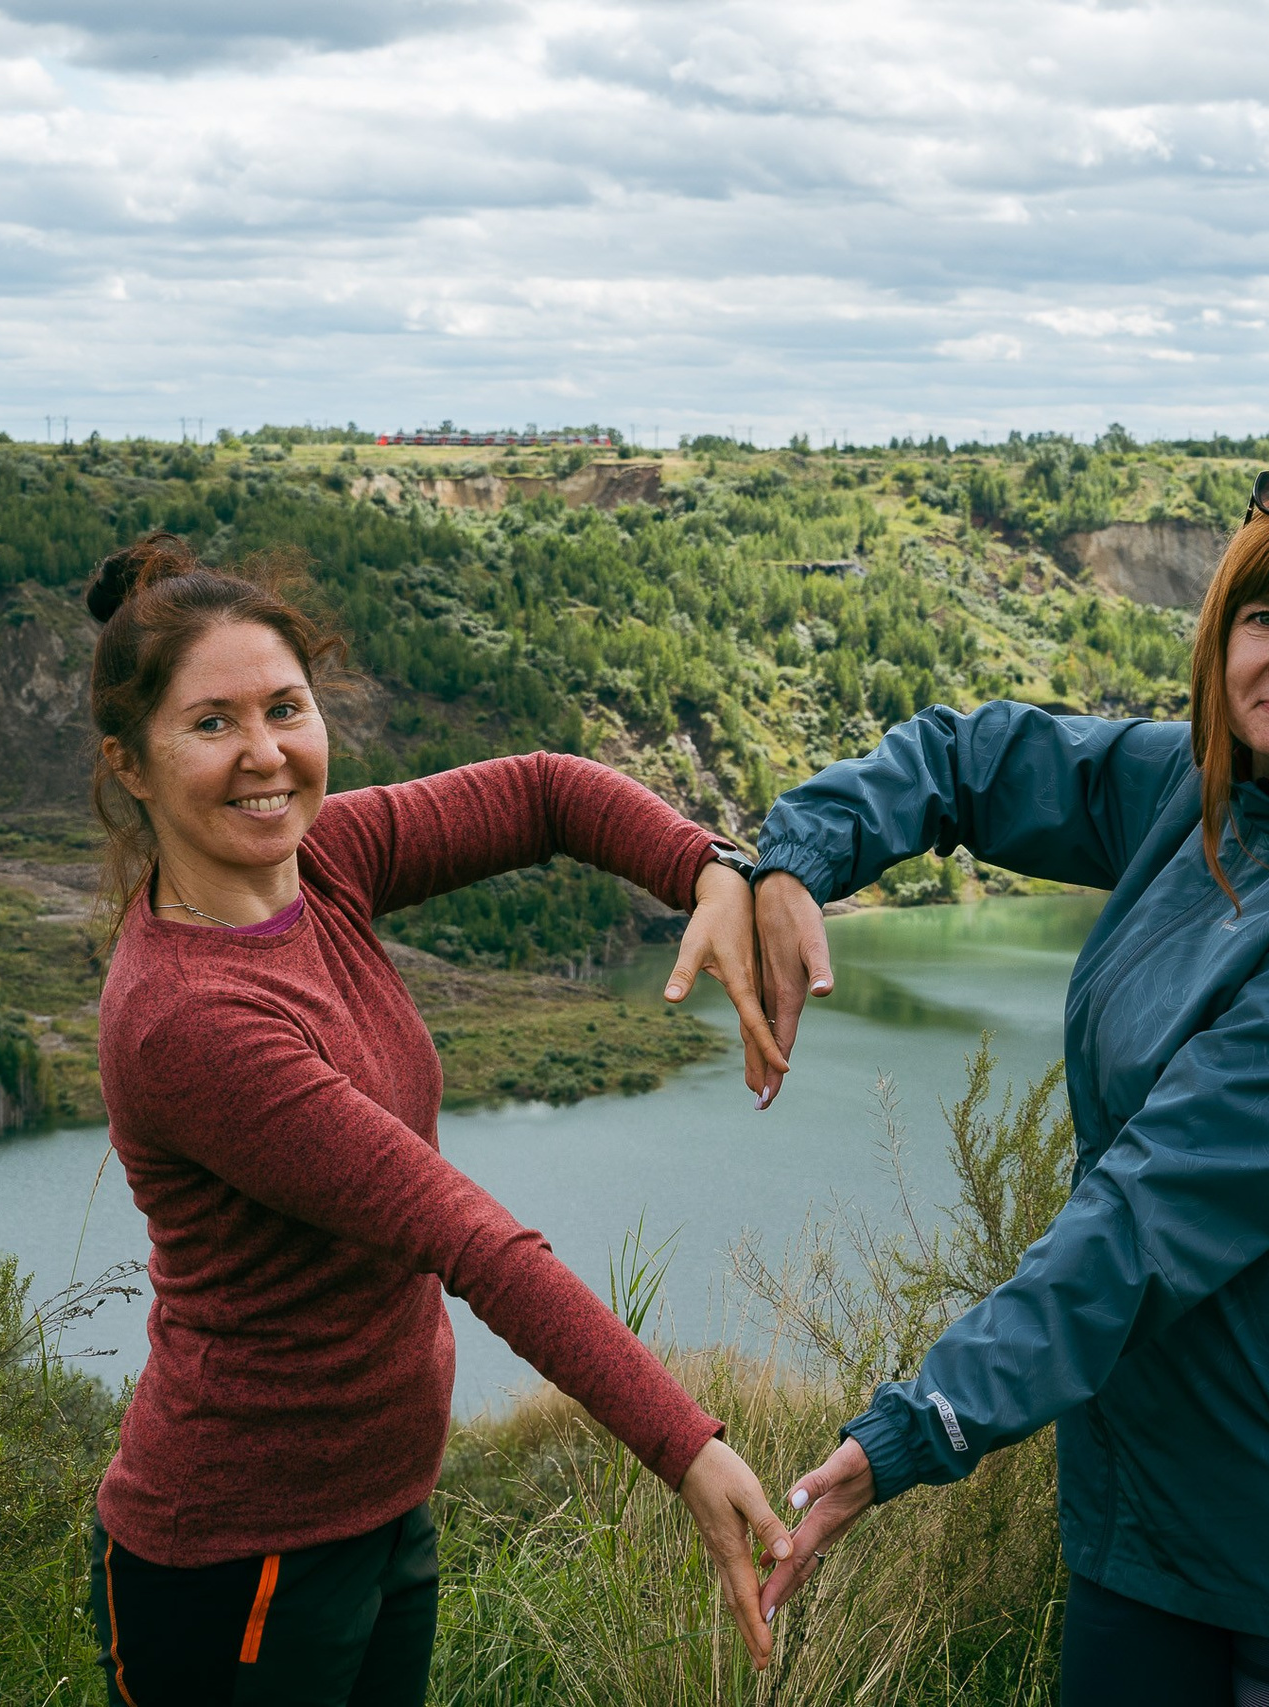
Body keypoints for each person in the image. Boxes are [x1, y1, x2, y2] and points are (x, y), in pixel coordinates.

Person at [749, 472, 1269, 1707]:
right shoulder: (1206, 795)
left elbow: (1154, 1210)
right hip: (1157, 1506)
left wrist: (921, 1423)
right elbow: (974, 758)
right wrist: (799, 856)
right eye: (1262, 619)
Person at [76, 533, 794, 1705]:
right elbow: (469, 1240)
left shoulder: (329, 862)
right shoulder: (188, 1021)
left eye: (286, 709)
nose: (265, 755)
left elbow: (544, 791)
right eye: (211, 724)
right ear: (134, 765)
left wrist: (712, 869)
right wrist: (685, 1442)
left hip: (381, 1509)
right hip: (240, 1556)